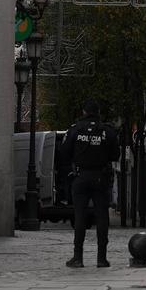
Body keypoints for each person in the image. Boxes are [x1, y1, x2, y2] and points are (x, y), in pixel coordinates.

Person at [59, 101, 120, 268]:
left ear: (84, 112)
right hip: (101, 177)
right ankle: (102, 258)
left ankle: (78, 257)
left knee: (80, 216)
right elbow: (116, 154)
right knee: (102, 217)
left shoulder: (75, 129)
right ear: (98, 112)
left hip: (81, 176)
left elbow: (64, 151)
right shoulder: (107, 131)